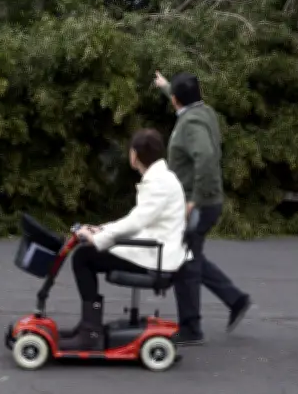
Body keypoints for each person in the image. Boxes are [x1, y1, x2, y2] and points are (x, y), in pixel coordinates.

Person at [154, 70, 251, 346]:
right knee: (191, 255)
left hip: (198, 205)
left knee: (185, 263)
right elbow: (184, 101)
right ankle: (235, 299)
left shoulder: (191, 124)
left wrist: (194, 199)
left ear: (176, 101)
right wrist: (165, 87)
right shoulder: (203, 111)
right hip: (207, 201)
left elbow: (206, 157)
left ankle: (191, 329)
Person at [68, 128, 188, 350]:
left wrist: (98, 239)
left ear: (134, 155)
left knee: (83, 257)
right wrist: (100, 229)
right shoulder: (162, 177)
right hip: (153, 249)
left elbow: (135, 223)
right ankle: (89, 327)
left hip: (155, 257)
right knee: (86, 255)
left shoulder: (158, 183)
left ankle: (90, 332)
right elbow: (137, 219)